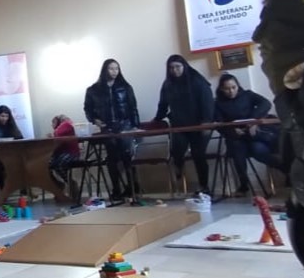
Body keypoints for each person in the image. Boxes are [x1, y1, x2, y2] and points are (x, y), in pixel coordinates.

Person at [153, 54, 214, 196]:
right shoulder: (168, 84)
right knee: (177, 149)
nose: (175, 70)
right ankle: (178, 169)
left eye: (178, 67)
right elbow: (163, 104)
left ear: (184, 66)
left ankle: (204, 186)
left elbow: (207, 103)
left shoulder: (197, 81)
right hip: (180, 125)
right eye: (171, 68)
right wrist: (157, 119)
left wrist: (206, 122)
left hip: (199, 125)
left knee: (198, 154)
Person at [214, 73, 281, 194]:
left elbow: (266, 103)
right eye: (227, 89)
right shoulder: (218, 103)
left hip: (253, 134)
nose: (231, 91)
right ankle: (243, 183)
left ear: (238, 86)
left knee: (258, 150)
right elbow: (219, 124)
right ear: (221, 89)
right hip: (235, 137)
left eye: (234, 87)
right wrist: (232, 131)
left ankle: (285, 168)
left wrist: (252, 120)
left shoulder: (247, 95)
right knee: (237, 149)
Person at [84, 59, 140, 201]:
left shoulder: (125, 87)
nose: (114, 71)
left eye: (117, 68)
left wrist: (135, 126)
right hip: (107, 127)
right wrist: (94, 120)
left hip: (125, 125)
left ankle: (132, 187)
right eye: (111, 68)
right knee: (111, 158)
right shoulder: (93, 90)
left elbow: (133, 107)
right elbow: (88, 109)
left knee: (127, 155)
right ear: (105, 70)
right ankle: (116, 189)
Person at [48, 114, 81, 199]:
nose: (52, 125)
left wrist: (53, 135)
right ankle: (58, 184)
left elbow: (58, 133)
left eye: (53, 122)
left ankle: (70, 183)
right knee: (44, 165)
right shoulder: (61, 129)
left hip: (71, 153)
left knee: (59, 164)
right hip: (60, 154)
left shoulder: (66, 125)